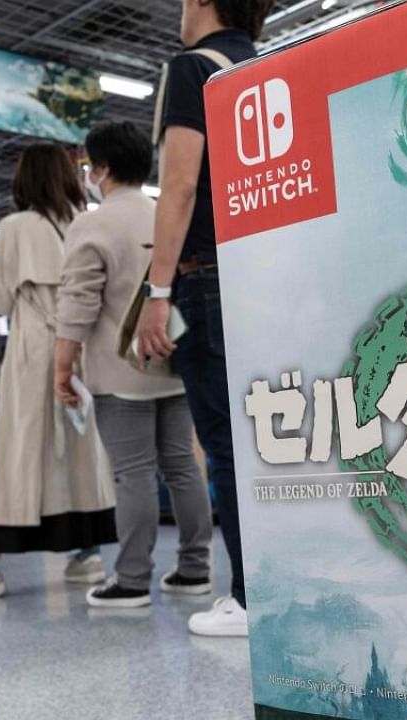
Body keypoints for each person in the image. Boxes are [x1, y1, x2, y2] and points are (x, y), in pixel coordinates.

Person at [135, 0, 273, 638]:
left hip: (209, 280)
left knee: (226, 444)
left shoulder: (192, 69)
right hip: (266, 276)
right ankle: (279, 581)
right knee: (275, 437)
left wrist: (158, 289)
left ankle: (250, 597)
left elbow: (181, 185)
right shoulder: (268, 64)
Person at [55, 121, 213, 609]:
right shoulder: (165, 215)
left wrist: (62, 365)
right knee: (184, 468)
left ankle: (131, 579)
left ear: (102, 168)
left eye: (89, 165)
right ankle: (194, 569)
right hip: (172, 364)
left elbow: (79, 301)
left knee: (134, 474)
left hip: (119, 374)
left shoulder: (92, 224)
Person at [0, 143, 117, 599]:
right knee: (81, 447)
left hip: (33, 349)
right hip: (82, 345)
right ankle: (86, 552)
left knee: (20, 449)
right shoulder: (87, 221)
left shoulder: (15, 227)